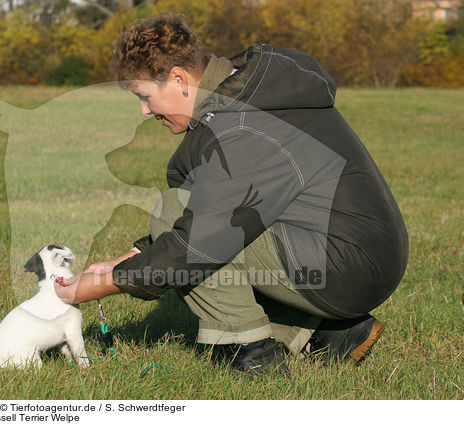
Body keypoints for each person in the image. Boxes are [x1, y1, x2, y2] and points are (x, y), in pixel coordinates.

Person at [55, 12, 409, 375]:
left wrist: (106, 283)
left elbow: (196, 242)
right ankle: (327, 334)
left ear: (179, 79)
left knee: (179, 223)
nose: (144, 110)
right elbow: (214, 205)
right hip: (359, 254)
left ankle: (251, 353)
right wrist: (125, 260)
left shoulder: (240, 125)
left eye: (145, 96)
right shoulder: (246, 97)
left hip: (348, 264)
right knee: (184, 226)